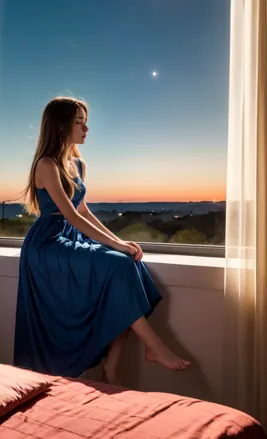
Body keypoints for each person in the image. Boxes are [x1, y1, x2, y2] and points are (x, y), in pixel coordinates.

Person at [14, 96, 190, 383]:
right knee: (118, 264)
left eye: (86, 122)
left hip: (70, 236)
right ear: (61, 126)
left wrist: (119, 242)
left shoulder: (78, 165)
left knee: (127, 264)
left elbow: (85, 211)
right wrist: (116, 245)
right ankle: (154, 346)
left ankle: (111, 369)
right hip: (48, 244)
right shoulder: (46, 164)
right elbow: (71, 216)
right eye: (79, 122)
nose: (86, 129)